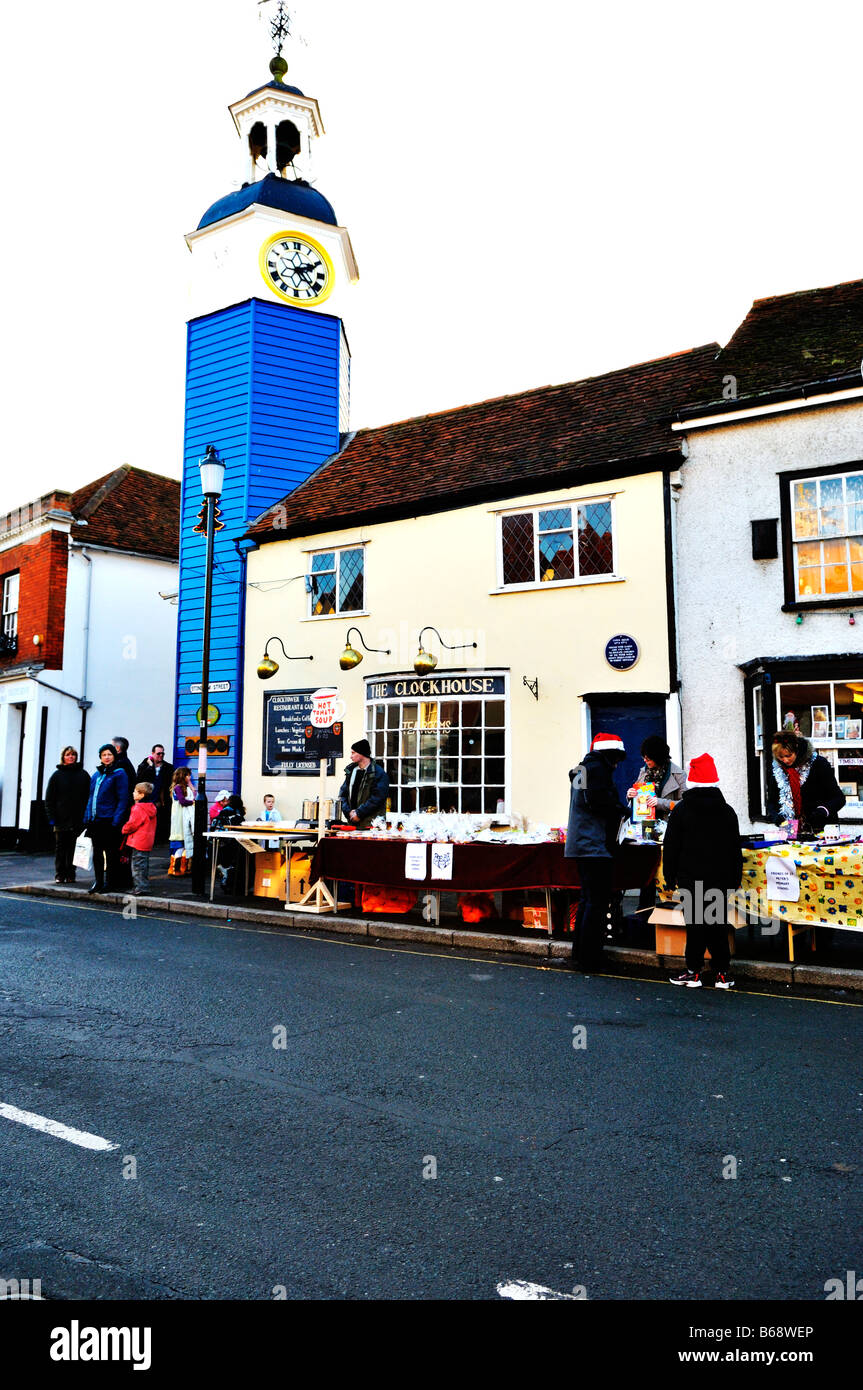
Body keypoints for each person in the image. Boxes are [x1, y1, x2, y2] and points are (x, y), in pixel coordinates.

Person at [662, 753, 743, 990]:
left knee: (695, 926)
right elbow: (734, 848)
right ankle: (721, 974)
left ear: (693, 780)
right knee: (717, 925)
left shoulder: (682, 810)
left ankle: (693, 972)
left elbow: (672, 846)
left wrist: (669, 875)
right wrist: (735, 878)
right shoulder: (727, 811)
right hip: (720, 878)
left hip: (690, 877)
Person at [565, 731, 628, 971]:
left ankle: (580, 954)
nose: (617, 764)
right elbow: (597, 802)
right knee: (597, 903)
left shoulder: (581, 769)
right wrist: (622, 811)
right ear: (610, 754)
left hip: (580, 843)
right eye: (616, 758)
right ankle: (591, 959)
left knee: (587, 900)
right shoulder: (598, 770)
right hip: (595, 845)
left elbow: (583, 801)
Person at [626, 735, 687, 913]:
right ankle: (644, 909)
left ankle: (674, 907)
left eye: (649, 757)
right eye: (644, 757)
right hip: (647, 828)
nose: (645, 760)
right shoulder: (644, 772)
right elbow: (637, 796)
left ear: (659, 756)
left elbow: (686, 803)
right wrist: (630, 795)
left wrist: (661, 802)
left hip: (670, 829)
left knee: (670, 867)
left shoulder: (678, 774)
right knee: (647, 869)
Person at [766, 732, 846, 836]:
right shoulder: (777, 770)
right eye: (781, 757)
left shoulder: (819, 764)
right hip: (790, 831)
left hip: (822, 830)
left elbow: (839, 798)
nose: (785, 760)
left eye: (788, 755)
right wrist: (776, 816)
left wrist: (823, 810)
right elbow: (771, 802)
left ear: (797, 750)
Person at [83, 744, 130, 893]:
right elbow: (91, 796)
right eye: (104, 755)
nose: (107, 757)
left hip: (109, 819)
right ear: (100, 757)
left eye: (109, 754)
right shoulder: (97, 775)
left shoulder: (119, 773)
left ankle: (110, 883)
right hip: (95, 820)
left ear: (114, 756)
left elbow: (123, 799)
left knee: (111, 853)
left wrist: (116, 820)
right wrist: (87, 815)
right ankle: (98, 882)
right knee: (97, 853)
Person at [44, 746, 91, 884]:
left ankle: (71, 874)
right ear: (63, 757)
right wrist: (52, 817)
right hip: (60, 819)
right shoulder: (57, 775)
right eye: (68, 755)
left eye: (73, 755)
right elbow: (49, 799)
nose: (71, 757)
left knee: (74, 848)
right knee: (60, 848)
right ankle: (60, 874)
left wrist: (86, 816)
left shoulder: (83, 774)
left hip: (78, 818)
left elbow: (88, 796)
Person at [337, 739, 389, 828]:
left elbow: (377, 798)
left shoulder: (378, 772)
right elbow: (343, 794)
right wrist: (349, 812)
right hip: (352, 824)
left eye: (353, 753)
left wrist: (359, 813)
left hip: (371, 825)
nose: (351, 756)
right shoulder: (350, 771)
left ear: (362, 753)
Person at [122, 783, 157, 895]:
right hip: (147, 840)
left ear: (141, 795)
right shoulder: (151, 807)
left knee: (137, 866)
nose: (133, 793)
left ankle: (141, 887)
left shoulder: (138, 808)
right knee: (143, 865)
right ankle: (143, 886)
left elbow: (133, 824)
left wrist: (124, 829)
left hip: (138, 840)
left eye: (135, 791)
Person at [136, 744, 175, 842]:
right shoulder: (144, 765)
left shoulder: (168, 767)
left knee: (160, 821)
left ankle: (160, 841)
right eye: (158, 754)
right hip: (147, 800)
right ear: (152, 753)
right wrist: (150, 766)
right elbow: (139, 779)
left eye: (163, 753)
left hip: (161, 800)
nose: (161, 755)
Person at [212, 794, 247, 893]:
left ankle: (225, 878)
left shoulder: (224, 811)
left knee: (227, 863)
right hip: (230, 841)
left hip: (218, 840)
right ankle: (230, 882)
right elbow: (241, 827)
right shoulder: (236, 813)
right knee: (235, 861)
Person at [169, 767, 195, 875]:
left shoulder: (184, 787)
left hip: (183, 816)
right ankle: (176, 868)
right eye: (188, 775)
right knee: (179, 840)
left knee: (185, 841)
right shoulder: (178, 788)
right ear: (183, 776)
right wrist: (192, 802)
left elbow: (193, 793)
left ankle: (183, 867)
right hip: (179, 817)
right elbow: (182, 801)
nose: (189, 777)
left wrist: (190, 785)